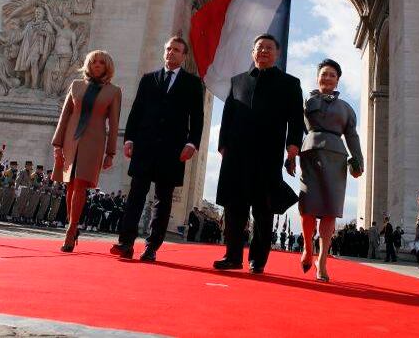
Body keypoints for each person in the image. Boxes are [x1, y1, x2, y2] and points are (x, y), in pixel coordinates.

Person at [213, 34, 304, 274]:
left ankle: (258, 259)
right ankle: (232, 256)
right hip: (236, 154)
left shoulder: (290, 83)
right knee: (234, 207)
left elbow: (296, 120)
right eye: (259, 47)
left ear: (277, 53)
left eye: (269, 48)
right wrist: (223, 145)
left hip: (268, 154)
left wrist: (293, 147)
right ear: (252, 52)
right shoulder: (237, 81)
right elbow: (227, 116)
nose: (263, 51)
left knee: (263, 209)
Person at [111, 36, 204, 261]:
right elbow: (136, 111)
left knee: (163, 199)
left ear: (184, 56)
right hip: (144, 145)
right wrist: (129, 139)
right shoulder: (148, 79)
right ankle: (126, 242)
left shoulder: (192, 83)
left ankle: (152, 246)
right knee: (136, 195)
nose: (171, 52)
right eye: (168, 49)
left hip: (173, 149)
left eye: (176, 50)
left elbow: (197, 117)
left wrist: (192, 143)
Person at [297, 58, 363, 281]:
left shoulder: (346, 108)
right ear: (317, 77)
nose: (327, 78)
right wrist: (291, 152)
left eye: (332, 75)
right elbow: (295, 127)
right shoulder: (306, 101)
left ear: (337, 80)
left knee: (330, 210)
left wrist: (358, 160)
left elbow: (352, 136)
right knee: (306, 207)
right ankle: (308, 247)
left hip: (336, 159)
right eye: (324, 74)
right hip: (310, 155)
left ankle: (322, 261)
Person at [52, 50, 121, 252]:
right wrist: (57, 144)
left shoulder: (113, 91)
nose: (97, 65)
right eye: (93, 62)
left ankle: (70, 230)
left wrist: (110, 153)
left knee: (80, 184)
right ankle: (72, 224)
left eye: (101, 62)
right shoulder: (76, 85)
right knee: (70, 185)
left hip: (94, 142)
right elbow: (65, 115)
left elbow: (114, 125)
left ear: (107, 67)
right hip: (70, 140)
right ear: (88, 65)